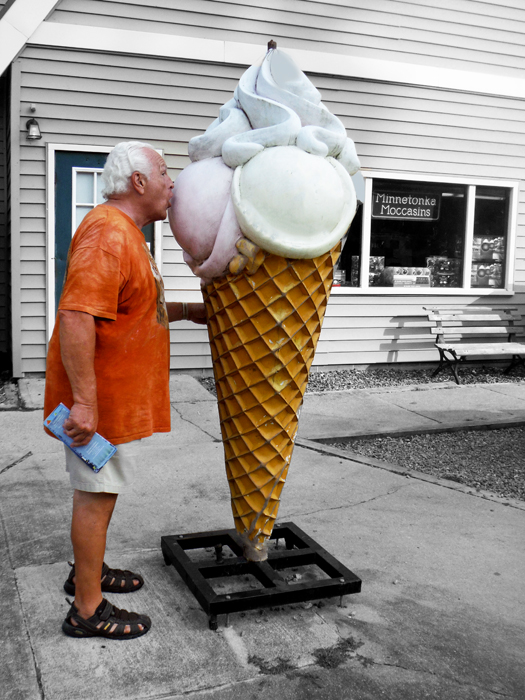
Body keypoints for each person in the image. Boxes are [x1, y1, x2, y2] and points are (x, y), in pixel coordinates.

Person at [44, 141, 207, 640]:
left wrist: (188, 312)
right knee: (95, 495)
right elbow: (76, 316)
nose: (172, 183)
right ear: (138, 182)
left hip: (115, 399)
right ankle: (87, 609)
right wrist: (86, 403)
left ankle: (85, 575)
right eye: (164, 173)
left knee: (104, 492)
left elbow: (135, 308)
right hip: (101, 403)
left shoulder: (129, 235)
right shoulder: (108, 233)